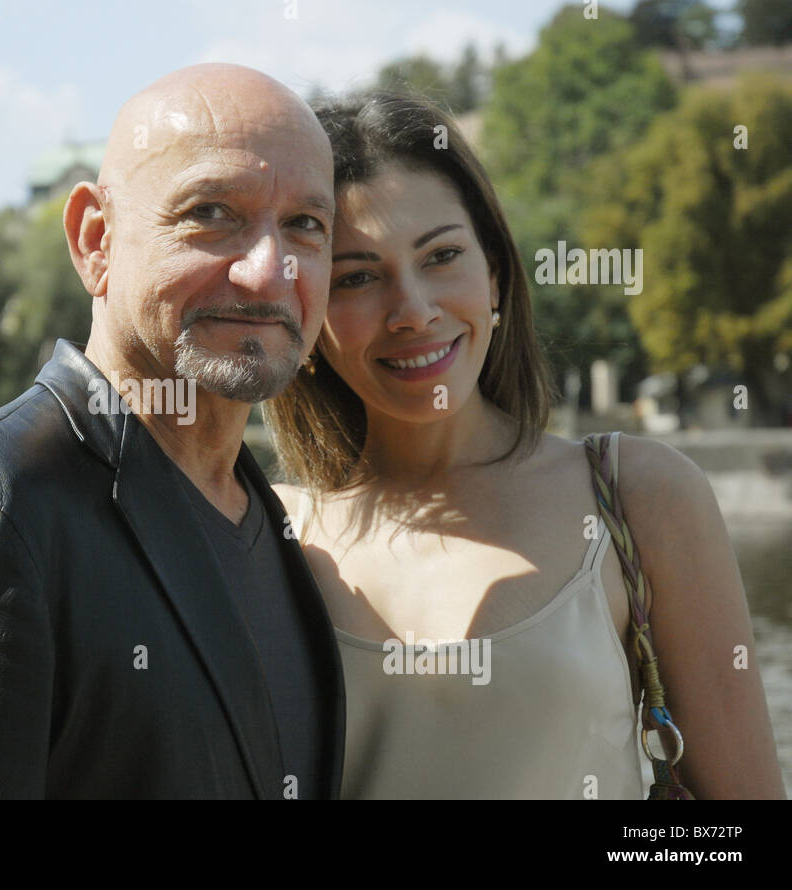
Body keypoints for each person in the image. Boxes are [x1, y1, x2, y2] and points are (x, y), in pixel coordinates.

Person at [0, 63, 347, 799]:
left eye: (306, 224)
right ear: (95, 240)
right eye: (211, 213)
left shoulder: (262, 517)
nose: (269, 272)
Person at [266, 90, 786, 799]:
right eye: (358, 277)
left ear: (497, 276)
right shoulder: (267, 534)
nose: (413, 311)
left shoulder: (637, 496)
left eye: (442, 255)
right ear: (311, 319)